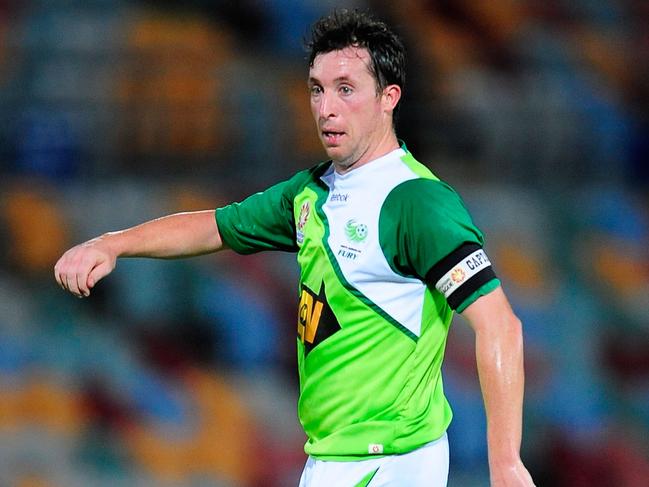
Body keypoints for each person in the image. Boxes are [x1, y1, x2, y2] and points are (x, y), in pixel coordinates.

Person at [54, 9, 535, 487]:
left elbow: (500, 325)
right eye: (316, 88)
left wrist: (505, 461)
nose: (326, 107)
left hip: (392, 459)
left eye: (345, 89)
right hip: (329, 458)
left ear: (389, 98)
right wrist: (112, 243)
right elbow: (215, 227)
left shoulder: (416, 203)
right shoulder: (309, 194)